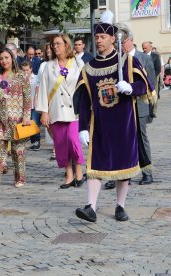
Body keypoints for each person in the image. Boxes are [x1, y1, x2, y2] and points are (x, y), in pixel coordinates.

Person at [74, 10, 154, 222]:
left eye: (102, 37)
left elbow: (147, 85)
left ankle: (120, 205)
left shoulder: (127, 61)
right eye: (97, 37)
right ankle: (90, 207)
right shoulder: (89, 68)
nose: (99, 41)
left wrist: (129, 87)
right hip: (99, 123)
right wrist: (82, 127)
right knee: (95, 165)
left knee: (123, 164)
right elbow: (83, 101)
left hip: (123, 122)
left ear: (112, 38)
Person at [104, 23, 156, 190]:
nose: (120, 45)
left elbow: (152, 84)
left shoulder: (144, 58)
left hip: (139, 105)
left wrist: (150, 109)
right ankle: (118, 174)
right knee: (121, 140)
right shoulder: (117, 59)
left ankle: (147, 172)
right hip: (121, 107)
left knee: (141, 139)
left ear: (130, 40)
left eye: (123, 41)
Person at [36, 34, 85, 189]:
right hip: (55, 110)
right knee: (61, 144)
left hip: (74, 110)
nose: (55, 47)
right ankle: (69, 176)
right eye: (53, 44)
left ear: (66, 45)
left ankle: (79, 172)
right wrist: (44, 112)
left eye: (58, 43)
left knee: (73, 140)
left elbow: (84, 86)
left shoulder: (77, 63)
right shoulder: (48, 66)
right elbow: (43, 89)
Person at [0, 48, 31, 188]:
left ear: (12, 59)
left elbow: (27, 98)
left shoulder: (22, 76)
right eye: (1, 58)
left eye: (6, 58)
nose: (4, 61)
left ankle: (20, 178)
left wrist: (26, 116)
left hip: (18, 118)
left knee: (18, 150)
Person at [20, 61, 40, 151]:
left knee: (34, 123)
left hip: (34, 104)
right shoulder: (19, 79)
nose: (25, 72)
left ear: (31, 69)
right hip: (23, 105)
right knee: (27, 124)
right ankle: (32, 142)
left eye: (27, 70)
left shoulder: (36, 78)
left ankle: (37, 141)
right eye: (23, 70)